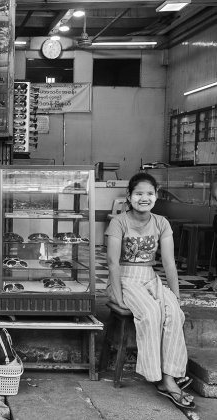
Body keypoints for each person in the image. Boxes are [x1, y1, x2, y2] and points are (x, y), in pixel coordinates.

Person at [106, 172, 195, 409]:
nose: (144, 198)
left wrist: (175, 294)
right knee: (151, 312)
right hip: (125, 278)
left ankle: (170, 376)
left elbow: (168, 262)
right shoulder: (118, 222)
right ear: (129, 196)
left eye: (149, 194)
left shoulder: (161, 223)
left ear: (156, 197)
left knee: (174, 312)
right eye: (139, 194)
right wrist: (116, 294)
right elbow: (113, 263)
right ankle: (155, 374)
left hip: (150, 278)